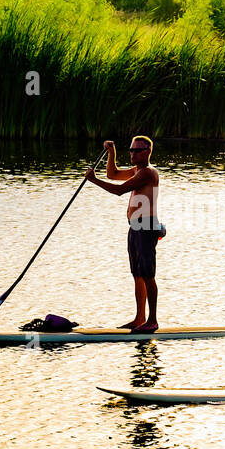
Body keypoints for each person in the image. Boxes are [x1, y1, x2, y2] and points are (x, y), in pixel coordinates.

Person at [86, 136, 164, 332]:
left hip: (146, 228)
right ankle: (140, 319)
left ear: (146, 152)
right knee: (137, 274)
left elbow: (119, 190)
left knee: (148, 275)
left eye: (136, 151)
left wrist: (94, 180)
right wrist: (112, 153)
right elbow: (113, 174)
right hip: (135, 227)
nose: (131, 153)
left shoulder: (148, 173)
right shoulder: (137, 170)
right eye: (130, 150)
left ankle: (152, 320)